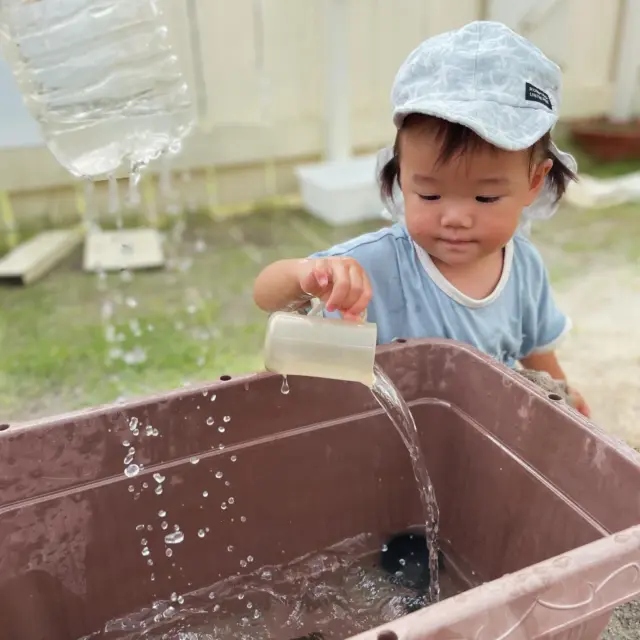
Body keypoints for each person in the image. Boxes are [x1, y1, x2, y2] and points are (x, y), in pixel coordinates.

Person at [253, 20, 590, 417]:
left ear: (534, 182)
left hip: (479, 439)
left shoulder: (525, 269)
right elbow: (265, 295)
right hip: (385, 437)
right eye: (429, 194)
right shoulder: (374, 264)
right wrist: (305, 276)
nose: (455, 217)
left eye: (485, 196)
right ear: (401, 177)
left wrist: (572, 406)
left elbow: (538, 356)